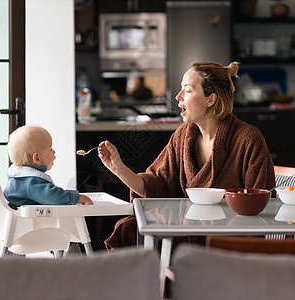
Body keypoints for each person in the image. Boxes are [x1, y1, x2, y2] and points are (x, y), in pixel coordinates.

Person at [98, 61, 276, 249]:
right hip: (187, 236)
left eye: (188, 90)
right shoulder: (183, 137)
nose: (178, 96)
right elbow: (156, 185)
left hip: (229, 241)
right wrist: (118, 168)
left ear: (211, 99)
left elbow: (262, 205)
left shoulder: (247, 139)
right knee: (128, 229)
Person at [4, 125, 93, 209]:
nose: (54, 151)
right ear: (37, 158)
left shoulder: (19, 179)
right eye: (50, 149)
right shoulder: (31, 182)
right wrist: (75, 197)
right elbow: (54, 197)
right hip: (28, 223)